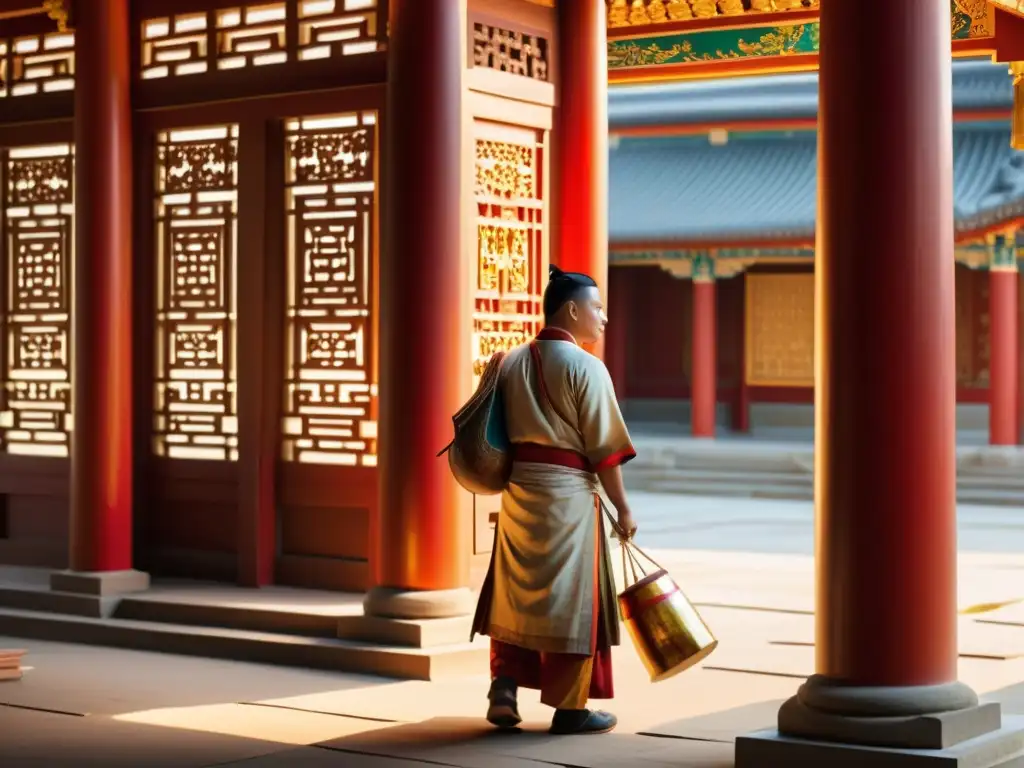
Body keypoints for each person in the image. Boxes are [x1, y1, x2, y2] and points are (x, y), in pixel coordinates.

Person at [470, 264, 638, 736]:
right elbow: (605, 451)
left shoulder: (509, 362)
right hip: (569, 501)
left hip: (520, 495)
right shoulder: (588, 368)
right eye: (598, 307)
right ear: (571, 309)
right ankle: (570, 708)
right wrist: (624, 508)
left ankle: (503, 688)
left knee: (514, 593)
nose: (604, 318)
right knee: (571, 601)